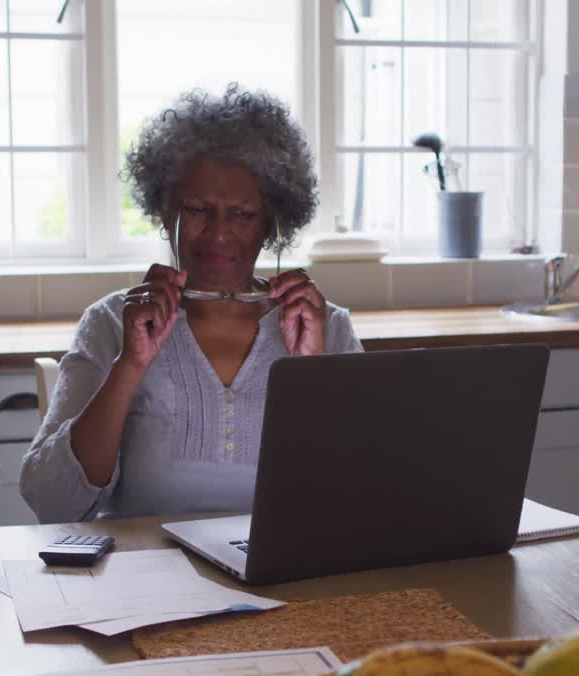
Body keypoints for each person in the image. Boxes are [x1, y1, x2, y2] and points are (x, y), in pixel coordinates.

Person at [21, 85, 363, 522]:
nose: (220, 234)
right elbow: (51, 502)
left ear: (272, 226)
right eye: (199, 209)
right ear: (167, 214)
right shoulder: (110, 322)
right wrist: (128, 366)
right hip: (144, 580)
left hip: (276, 582)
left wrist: (313, 377)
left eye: (242, 215)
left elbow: (358, 503)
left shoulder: (327, 329)